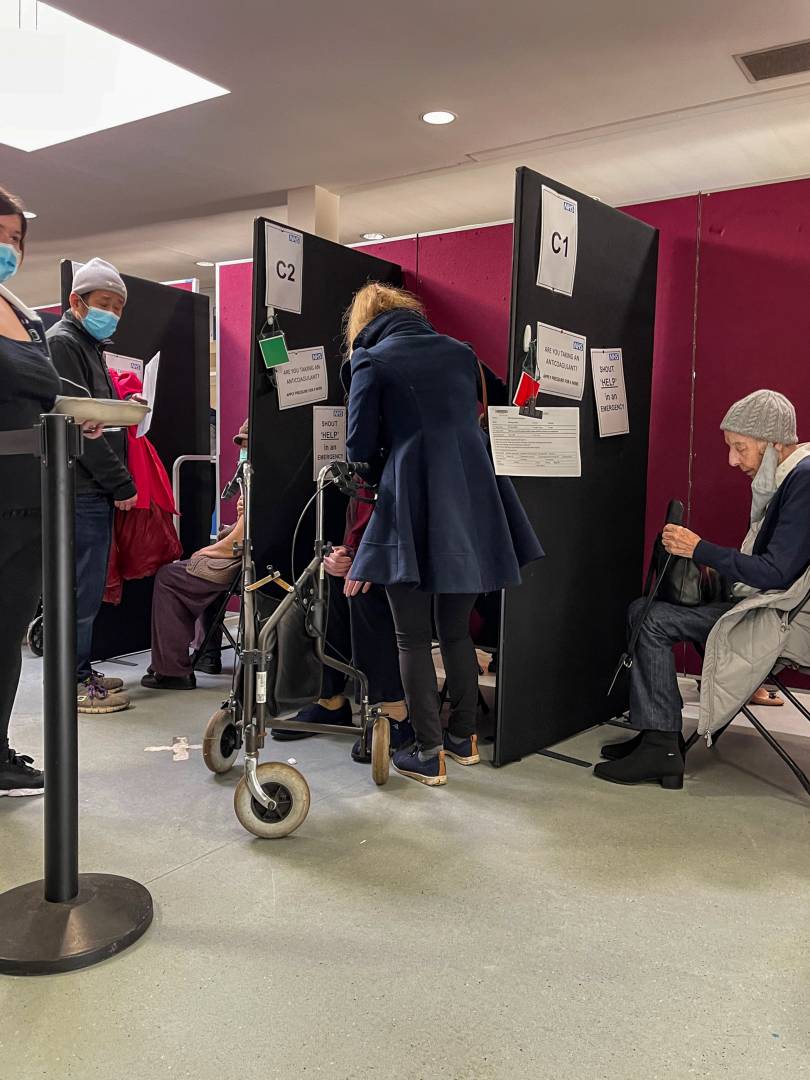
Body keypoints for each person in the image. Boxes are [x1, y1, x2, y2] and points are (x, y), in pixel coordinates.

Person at [344, 283, 544, 787]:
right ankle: (463, 739)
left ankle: (427, 753)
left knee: (411, 635)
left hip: (411, 494)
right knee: (455, 629)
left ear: (363, 322)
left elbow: (358, 446)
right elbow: (506, 400)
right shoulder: (461, 353)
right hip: (474, 494)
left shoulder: (371, 360)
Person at [596, 389, 810, 789]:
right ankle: (659, 735)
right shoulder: (792, 479)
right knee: (646, 609)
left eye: (740, 448)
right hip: (771, 610)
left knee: (651, 617)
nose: (733, 460)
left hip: (779, 623)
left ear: (774, 444)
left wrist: (700, 550)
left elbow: (777, 571)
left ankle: (661, 745)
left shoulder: (804, 480)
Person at [0, 187, 105, 795]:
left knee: (7, 635)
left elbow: (42, 398)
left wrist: (78, 415)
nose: (9, 248)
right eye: (1, 235)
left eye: (16, 238)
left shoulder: (23, 314)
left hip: (36, 499)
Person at [271, 475, 412, 760]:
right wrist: (344, 555)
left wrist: (369, 561)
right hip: (372, 561)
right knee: (329, 583)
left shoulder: (407, 465)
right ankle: (330, 701)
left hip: (416, 574)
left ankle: (392, 710)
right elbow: (356, 535)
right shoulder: (362, 478)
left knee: (363, 590)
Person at [47, 259, 135, 715]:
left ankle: (79, 671)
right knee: (79, 592)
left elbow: (97, 415)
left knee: (84, 589)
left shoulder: (88, 346)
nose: (113, 314)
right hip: (81, 488)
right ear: (76, 302)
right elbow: (82, 426)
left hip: (88, 487)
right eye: (105, 304)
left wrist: (126, 407)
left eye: (119, 307)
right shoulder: (64, 343)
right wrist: (121, 482)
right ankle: (72, 684)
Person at [141, 421, 248, 690]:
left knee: (170, 576)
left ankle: (172, 670)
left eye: (245, 445)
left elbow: (241, 538)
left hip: (239, 560)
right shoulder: (270, 474)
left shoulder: (256, 478)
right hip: (247, 557)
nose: (242, 451)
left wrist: (207, 551)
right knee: (199, 578)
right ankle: (206, 653)